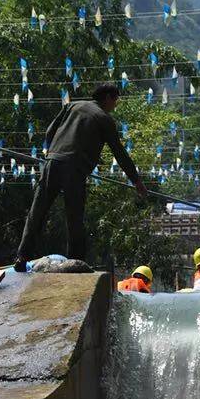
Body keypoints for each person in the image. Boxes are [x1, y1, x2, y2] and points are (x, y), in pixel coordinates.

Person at [13, 82, 148, 271]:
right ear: (108, 97)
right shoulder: (104, 118)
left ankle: (21, 257)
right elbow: (119, 152)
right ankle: (75, 262)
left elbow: (50, 131)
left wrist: (52, 153)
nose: (115, 105)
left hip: (52, 161)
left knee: (38, 210)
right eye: (115, 100)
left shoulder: (72, 106)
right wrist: (137, 181)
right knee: (74, 216)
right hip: (74, 167)